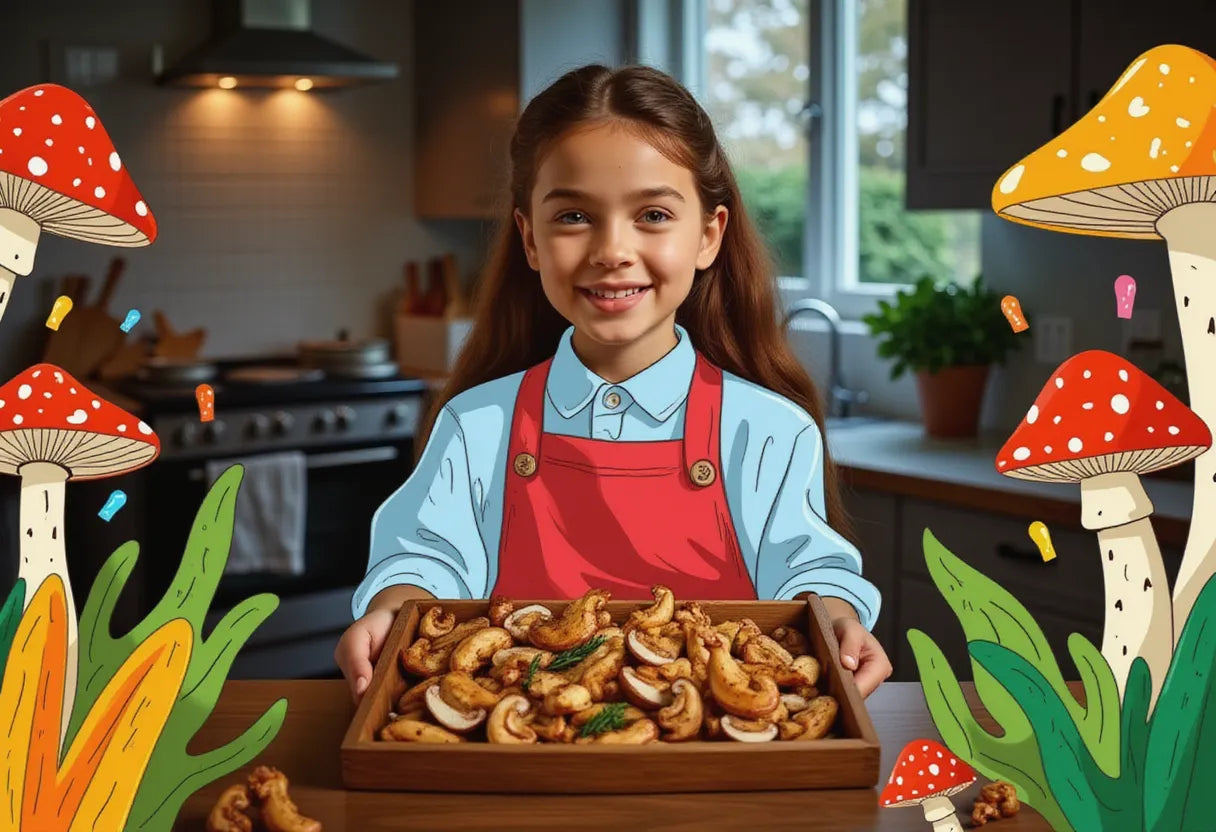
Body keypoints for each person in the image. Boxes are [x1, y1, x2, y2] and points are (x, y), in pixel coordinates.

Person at [335, 63, 891, 703]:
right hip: (520, 743)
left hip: (714, 750)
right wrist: (392, 609)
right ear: (530, 239)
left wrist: (838, 621)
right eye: (574, 216)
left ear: (708, 235)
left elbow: (808, 572)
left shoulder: (768, 430)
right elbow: (425, 559)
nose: (612, 250)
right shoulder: (477, 424)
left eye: (653, 214)